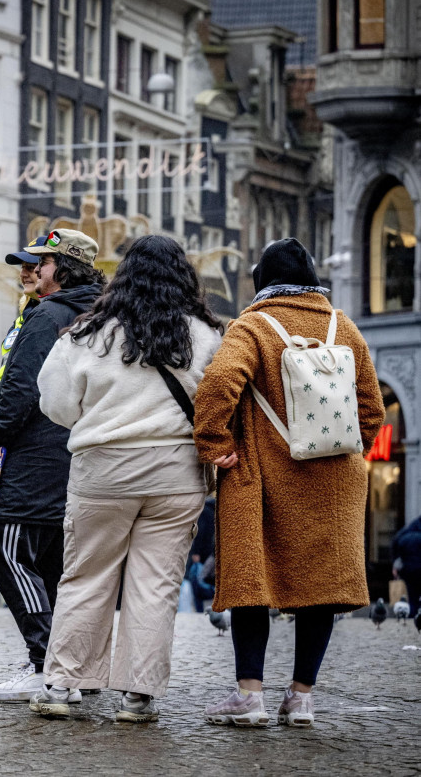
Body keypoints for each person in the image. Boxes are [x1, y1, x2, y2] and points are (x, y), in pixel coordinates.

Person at [33, 234, 224, 722]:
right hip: (177, 473)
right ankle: (139, 696)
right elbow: (219, 402)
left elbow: (55, 404)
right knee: (155, 585)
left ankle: (61, 684)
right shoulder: (205, 335)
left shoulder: (87, 333)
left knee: (85, 577)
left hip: (103, 470)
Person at [195, 238, 384, 728]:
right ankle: (301, 698)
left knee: (250, 582)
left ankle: (249, 696)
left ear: (262, 281)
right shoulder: (344, 326)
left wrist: (216, 447)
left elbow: (218, 386)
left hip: (263, 476)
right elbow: (373, 411)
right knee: (321, 587)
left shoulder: (252, 326)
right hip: (335, 480)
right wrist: (344, 448)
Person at [0, 229, 103, 702]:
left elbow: (20, 389)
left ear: (65, 268)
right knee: (56, 562)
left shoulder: (46, 315)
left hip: (36, 452)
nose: (28, 269)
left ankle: (46, 664)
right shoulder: (104, 314)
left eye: (41, 262)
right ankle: (75, 669)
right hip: (83, 451)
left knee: (8, 548)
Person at [0, 235, 47, 381]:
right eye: (22, 267)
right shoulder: (23, 317)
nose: (22, 274)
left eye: (30, 268)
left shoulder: (56, 316)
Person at [392, 515, 421, 617]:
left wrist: (395, 565)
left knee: (412, 595)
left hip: (408, 570)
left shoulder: (404, 535)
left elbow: (395, 547)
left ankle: (413, 615)